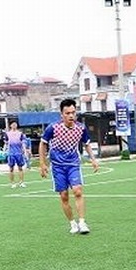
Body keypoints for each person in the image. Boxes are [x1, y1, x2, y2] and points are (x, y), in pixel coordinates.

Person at [39, 99, 100, 234]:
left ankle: (82, 222)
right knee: (64, 196)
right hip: (58, 166)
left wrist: (93, 159)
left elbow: (87, 143)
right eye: (67, 113)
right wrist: (42, 164)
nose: (71, 116)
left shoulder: (81, 128)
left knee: (78, 191)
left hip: (73, 163)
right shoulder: (53, 128)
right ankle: (72, 223)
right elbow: (43, 143)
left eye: (73, 112)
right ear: (62, 114)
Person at [3, 121, 27, 188]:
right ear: (10, 125)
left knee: (20, 168)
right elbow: (6, 143)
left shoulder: (20, 133)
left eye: (15, 124)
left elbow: (23, 143)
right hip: (11, 153)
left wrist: (25, 151)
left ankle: (21, 182)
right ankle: (13, 183)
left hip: (19, 153)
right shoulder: (7, 134)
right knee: (11, 168)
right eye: (12, 124)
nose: (14, 125)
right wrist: (4, 150)